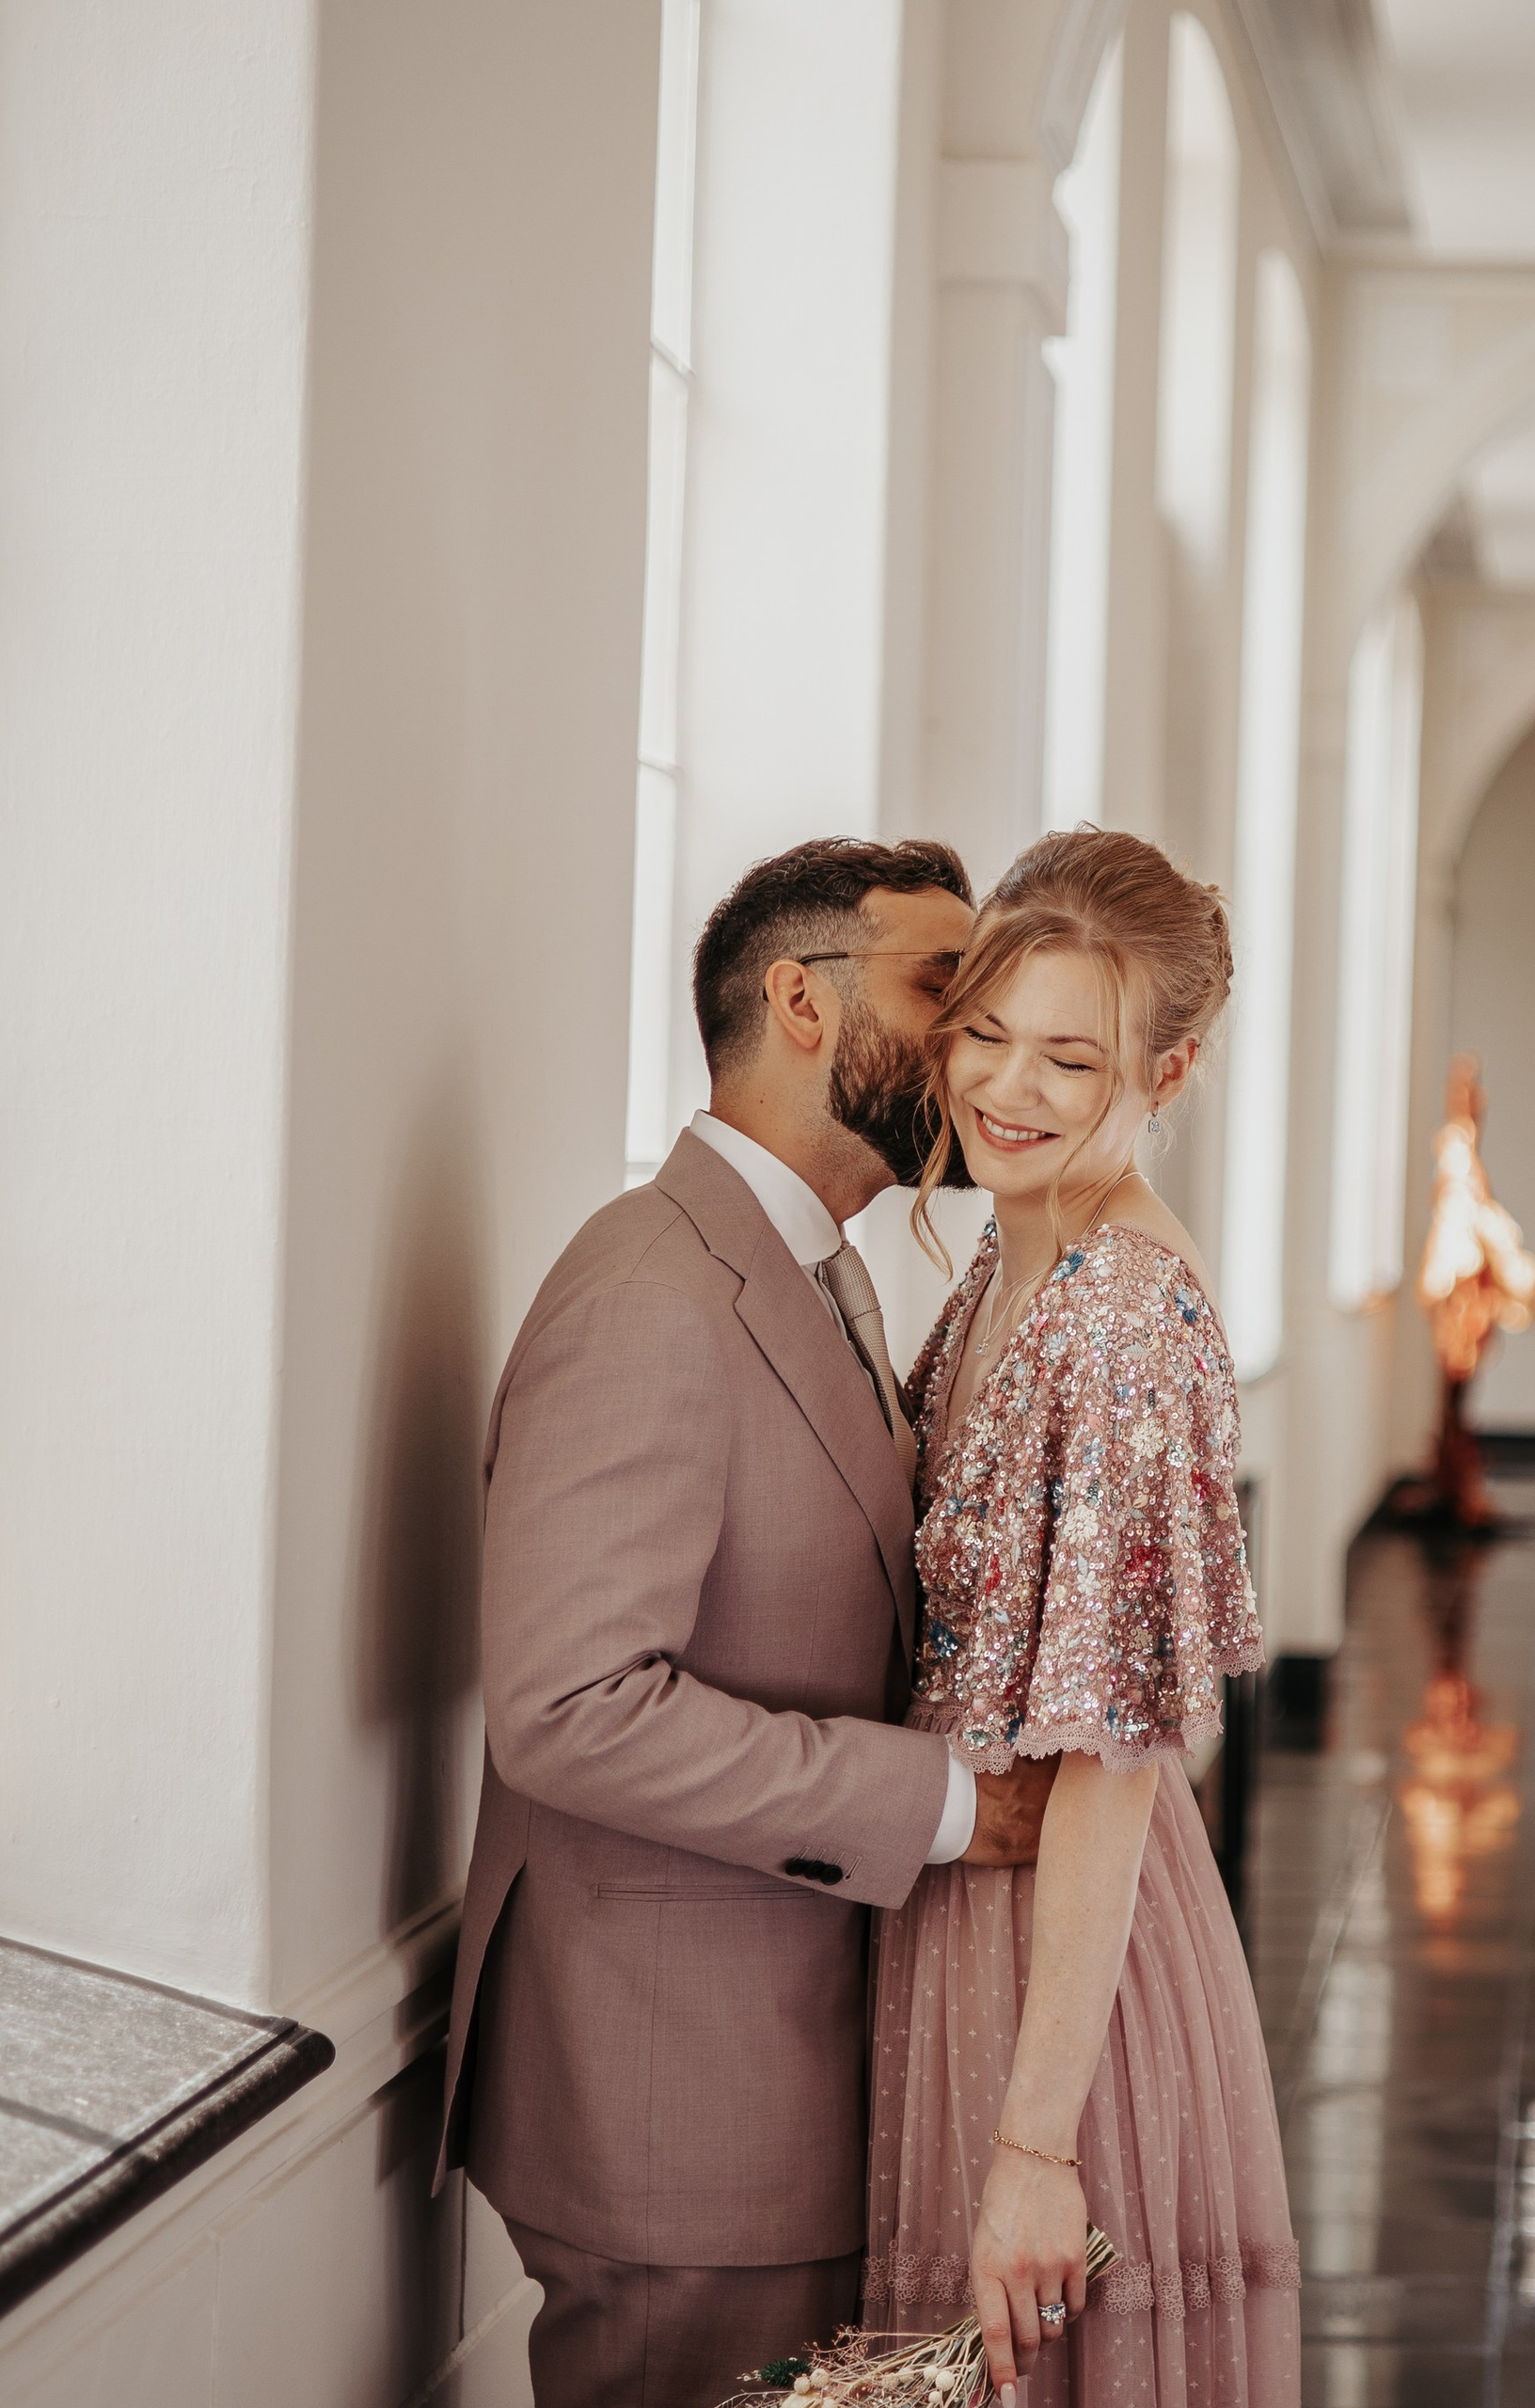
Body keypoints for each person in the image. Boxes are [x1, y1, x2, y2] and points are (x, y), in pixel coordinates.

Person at [435, 837, 1057, 2403]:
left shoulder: (814, 1268)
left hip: (775, 2064)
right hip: (676, 2098)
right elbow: (571, 1708)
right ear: (798, 1000)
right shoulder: (651, 1288)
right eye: (943, 987)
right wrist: (949, 1809)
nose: (978, 1036)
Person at [865, 828, 1302, 2405]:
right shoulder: (1014, 1246)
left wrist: (1037, 2145)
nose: (1007, 1088)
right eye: (986, 1033)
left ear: (1166, 1073)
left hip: (1063, 1951)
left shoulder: (1125, 1313)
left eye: (1071, 1058)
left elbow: (1116, 1764)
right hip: (971, 1886)